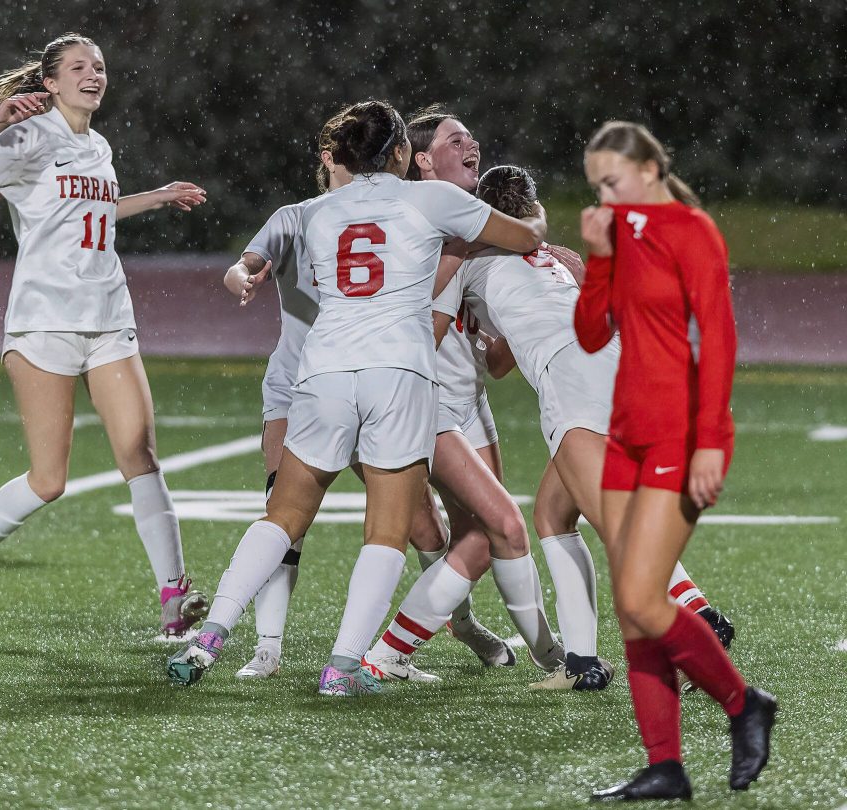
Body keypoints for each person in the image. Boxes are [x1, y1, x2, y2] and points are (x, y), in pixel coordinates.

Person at [167, 99, 546, 696]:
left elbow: (271, 259)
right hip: (398, 372)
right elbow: (524, 234)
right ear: (400, 153)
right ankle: (343, 669)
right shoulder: (434, 199)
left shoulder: (314, 211)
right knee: (386, 532)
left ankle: (211, 635)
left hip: (321, 372)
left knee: (283, 517)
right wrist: (532, 219)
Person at [418, 164, 734, 692]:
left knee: (616, 524)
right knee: (553, 515)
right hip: (616, 362)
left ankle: (699, 618)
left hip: (570, 377)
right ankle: (582, 663)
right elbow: (510, 351)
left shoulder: (466, 258)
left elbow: (435, 335)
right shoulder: (553, 255)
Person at [0, 33, 209, 639]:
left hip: (109, 316)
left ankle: (173, 595)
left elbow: (96, 210)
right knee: (49, 480)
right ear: (51, 81)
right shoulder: (28, 136)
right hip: (43, 322)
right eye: (79, 67)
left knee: (140, 455)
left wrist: (158, 198)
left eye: (101, 67)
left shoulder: (98, 144)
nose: (94, 75)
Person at [575, 121, 776, 800]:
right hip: (624, 433)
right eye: (596, 184)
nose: (604, 194)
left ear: (651, 169)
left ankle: (743, 703)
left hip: (679, 434)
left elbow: (718, 337)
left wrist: (712, 439)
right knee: (632, 614)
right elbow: (590, 331)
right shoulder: (618, 235)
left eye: (613, 181)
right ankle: (666, 765)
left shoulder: (692, 231)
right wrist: (598, 255)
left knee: (641, 596)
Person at [362, 107, 563, 684]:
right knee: (497, 528)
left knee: (481, 538)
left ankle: (411, 648)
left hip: (466, 399)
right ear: (422, 160)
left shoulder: (463, 220)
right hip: (425, 401)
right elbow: (418, 326)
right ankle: (556, 656)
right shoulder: (435, 223)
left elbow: (495, 361)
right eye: (456, 140)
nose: (472, 143)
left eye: (472, 136)